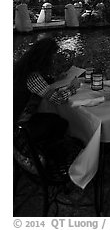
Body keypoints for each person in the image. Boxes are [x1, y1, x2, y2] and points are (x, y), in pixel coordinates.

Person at [13, 38, 82, 171]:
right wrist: (73, 88)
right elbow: (57, 99)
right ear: (45, 58)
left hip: (15, 120)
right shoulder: (33, 77)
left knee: (53, 119)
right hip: (20, 128)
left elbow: (40, 86)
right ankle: (52, 158)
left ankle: (47, 151)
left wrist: (55, 79)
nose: (53, 62)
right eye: (52, 58)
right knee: (60, 123)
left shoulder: (22, 70)